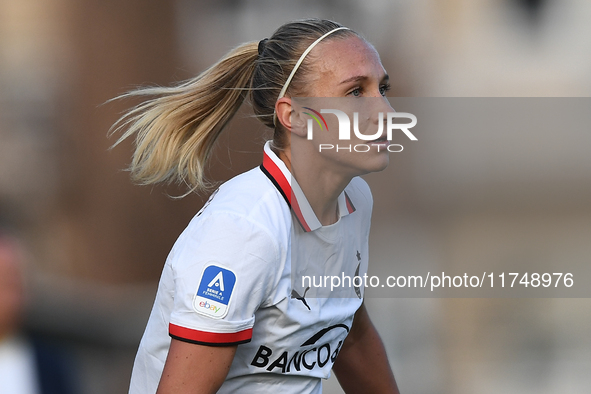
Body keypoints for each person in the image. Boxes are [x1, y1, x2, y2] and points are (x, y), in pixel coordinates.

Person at [112, 18, 400, 394]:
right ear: (294, 116)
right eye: (355, 93)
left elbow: (349, 330)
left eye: (383, 88)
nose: (386, 112)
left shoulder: (355, 200)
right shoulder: (243, 231)